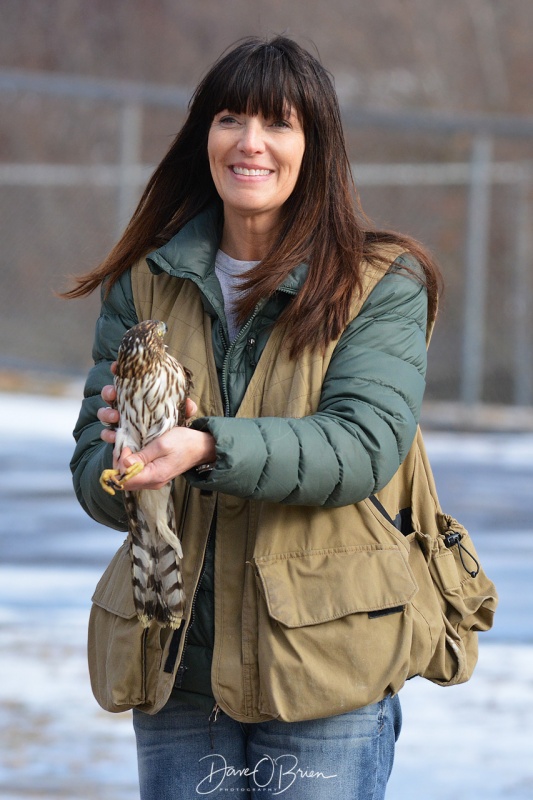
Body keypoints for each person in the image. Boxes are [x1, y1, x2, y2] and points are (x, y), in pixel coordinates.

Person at [64, 35, 441, 800]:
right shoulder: (147, 281)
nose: (251, 143)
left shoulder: (379, 283)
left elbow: (360, 447)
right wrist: (124, 466)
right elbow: (89, 475)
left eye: (279, 123)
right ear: (204, 133)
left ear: (317, 146)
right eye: (231, 118)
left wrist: (203, 445)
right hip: (178, 662)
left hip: (322, 669)